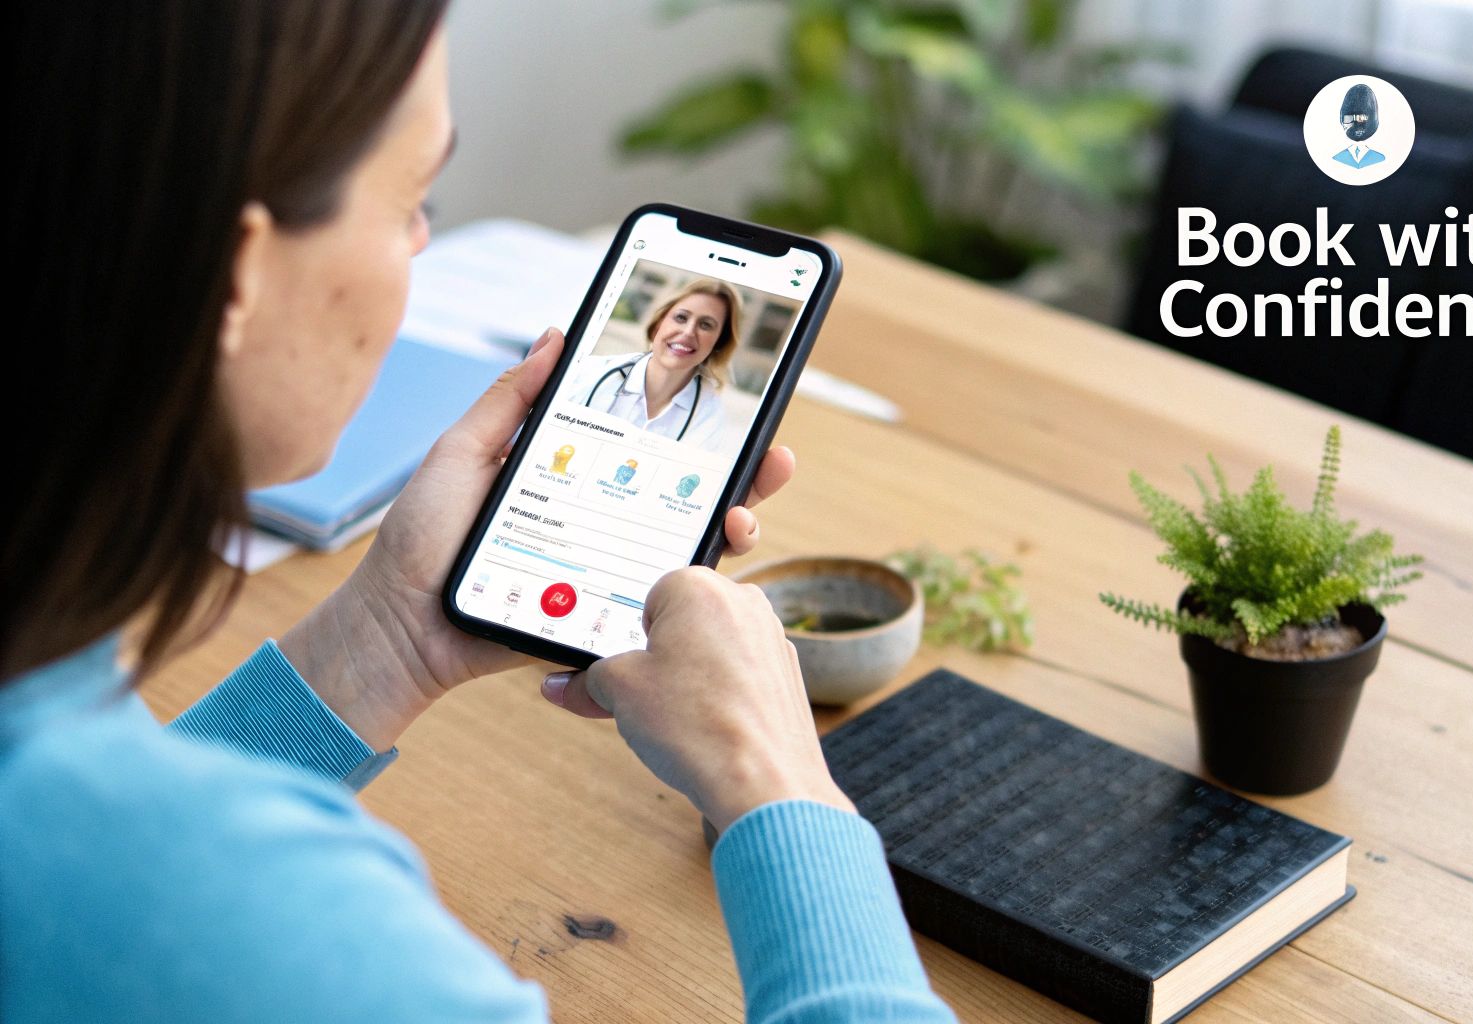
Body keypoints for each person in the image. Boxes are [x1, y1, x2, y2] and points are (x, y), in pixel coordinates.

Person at [1, 4, 956, 1022]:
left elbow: (112, 854)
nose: (420, 241)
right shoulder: (295, 941)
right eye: (416, 200)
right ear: (239, 271)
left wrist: (385, 641)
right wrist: (778, 787)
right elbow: (180, 894)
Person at [573, 278, 739, 453]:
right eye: (681, 317)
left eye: (706, 325)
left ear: (719, 342)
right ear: (659, 324)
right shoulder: (585, 373)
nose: (688, 332)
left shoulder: (709, 415)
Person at [1332, 83, 1386, 169]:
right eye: (1349, 118)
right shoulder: (1338, 158)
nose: (1356, 125)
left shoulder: (1378, 158)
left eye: (1361, 118)